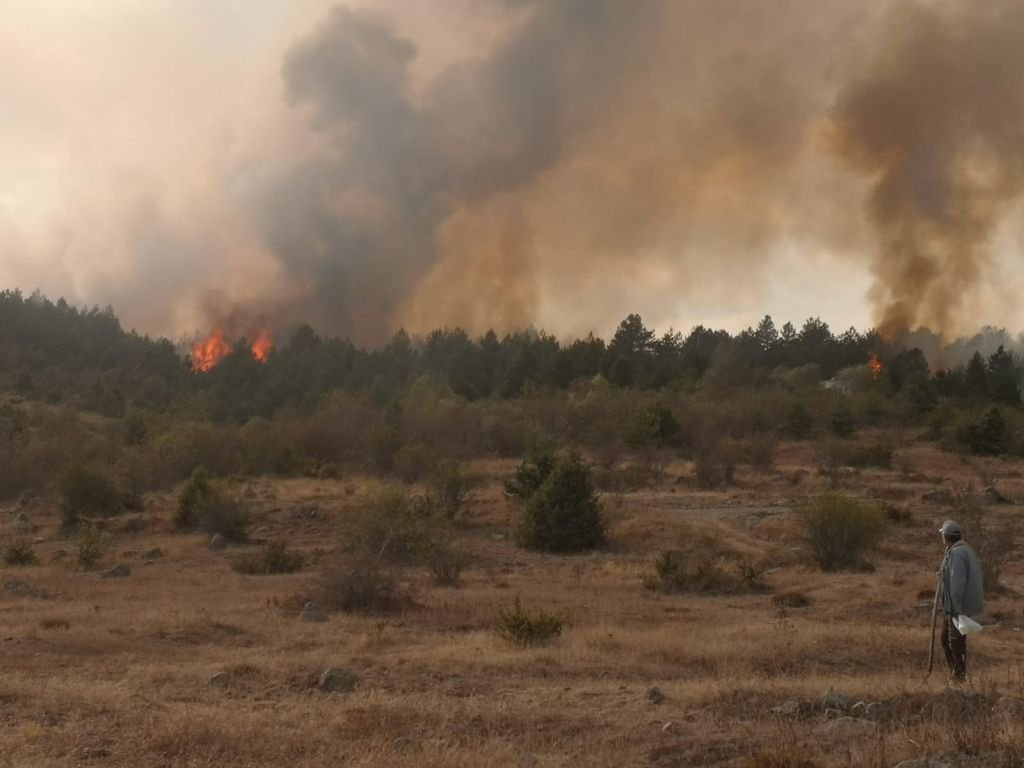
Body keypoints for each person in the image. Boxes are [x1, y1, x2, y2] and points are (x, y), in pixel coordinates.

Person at [937, 520, 984, 682]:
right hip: (956, 606)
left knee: (954, 642)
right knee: (946, 639)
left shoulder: (957, 554)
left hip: (957, 607)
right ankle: (956, 674)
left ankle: (959, 677)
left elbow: (957, 583)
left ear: (945, 536)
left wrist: (955, 610)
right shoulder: (962, 550)